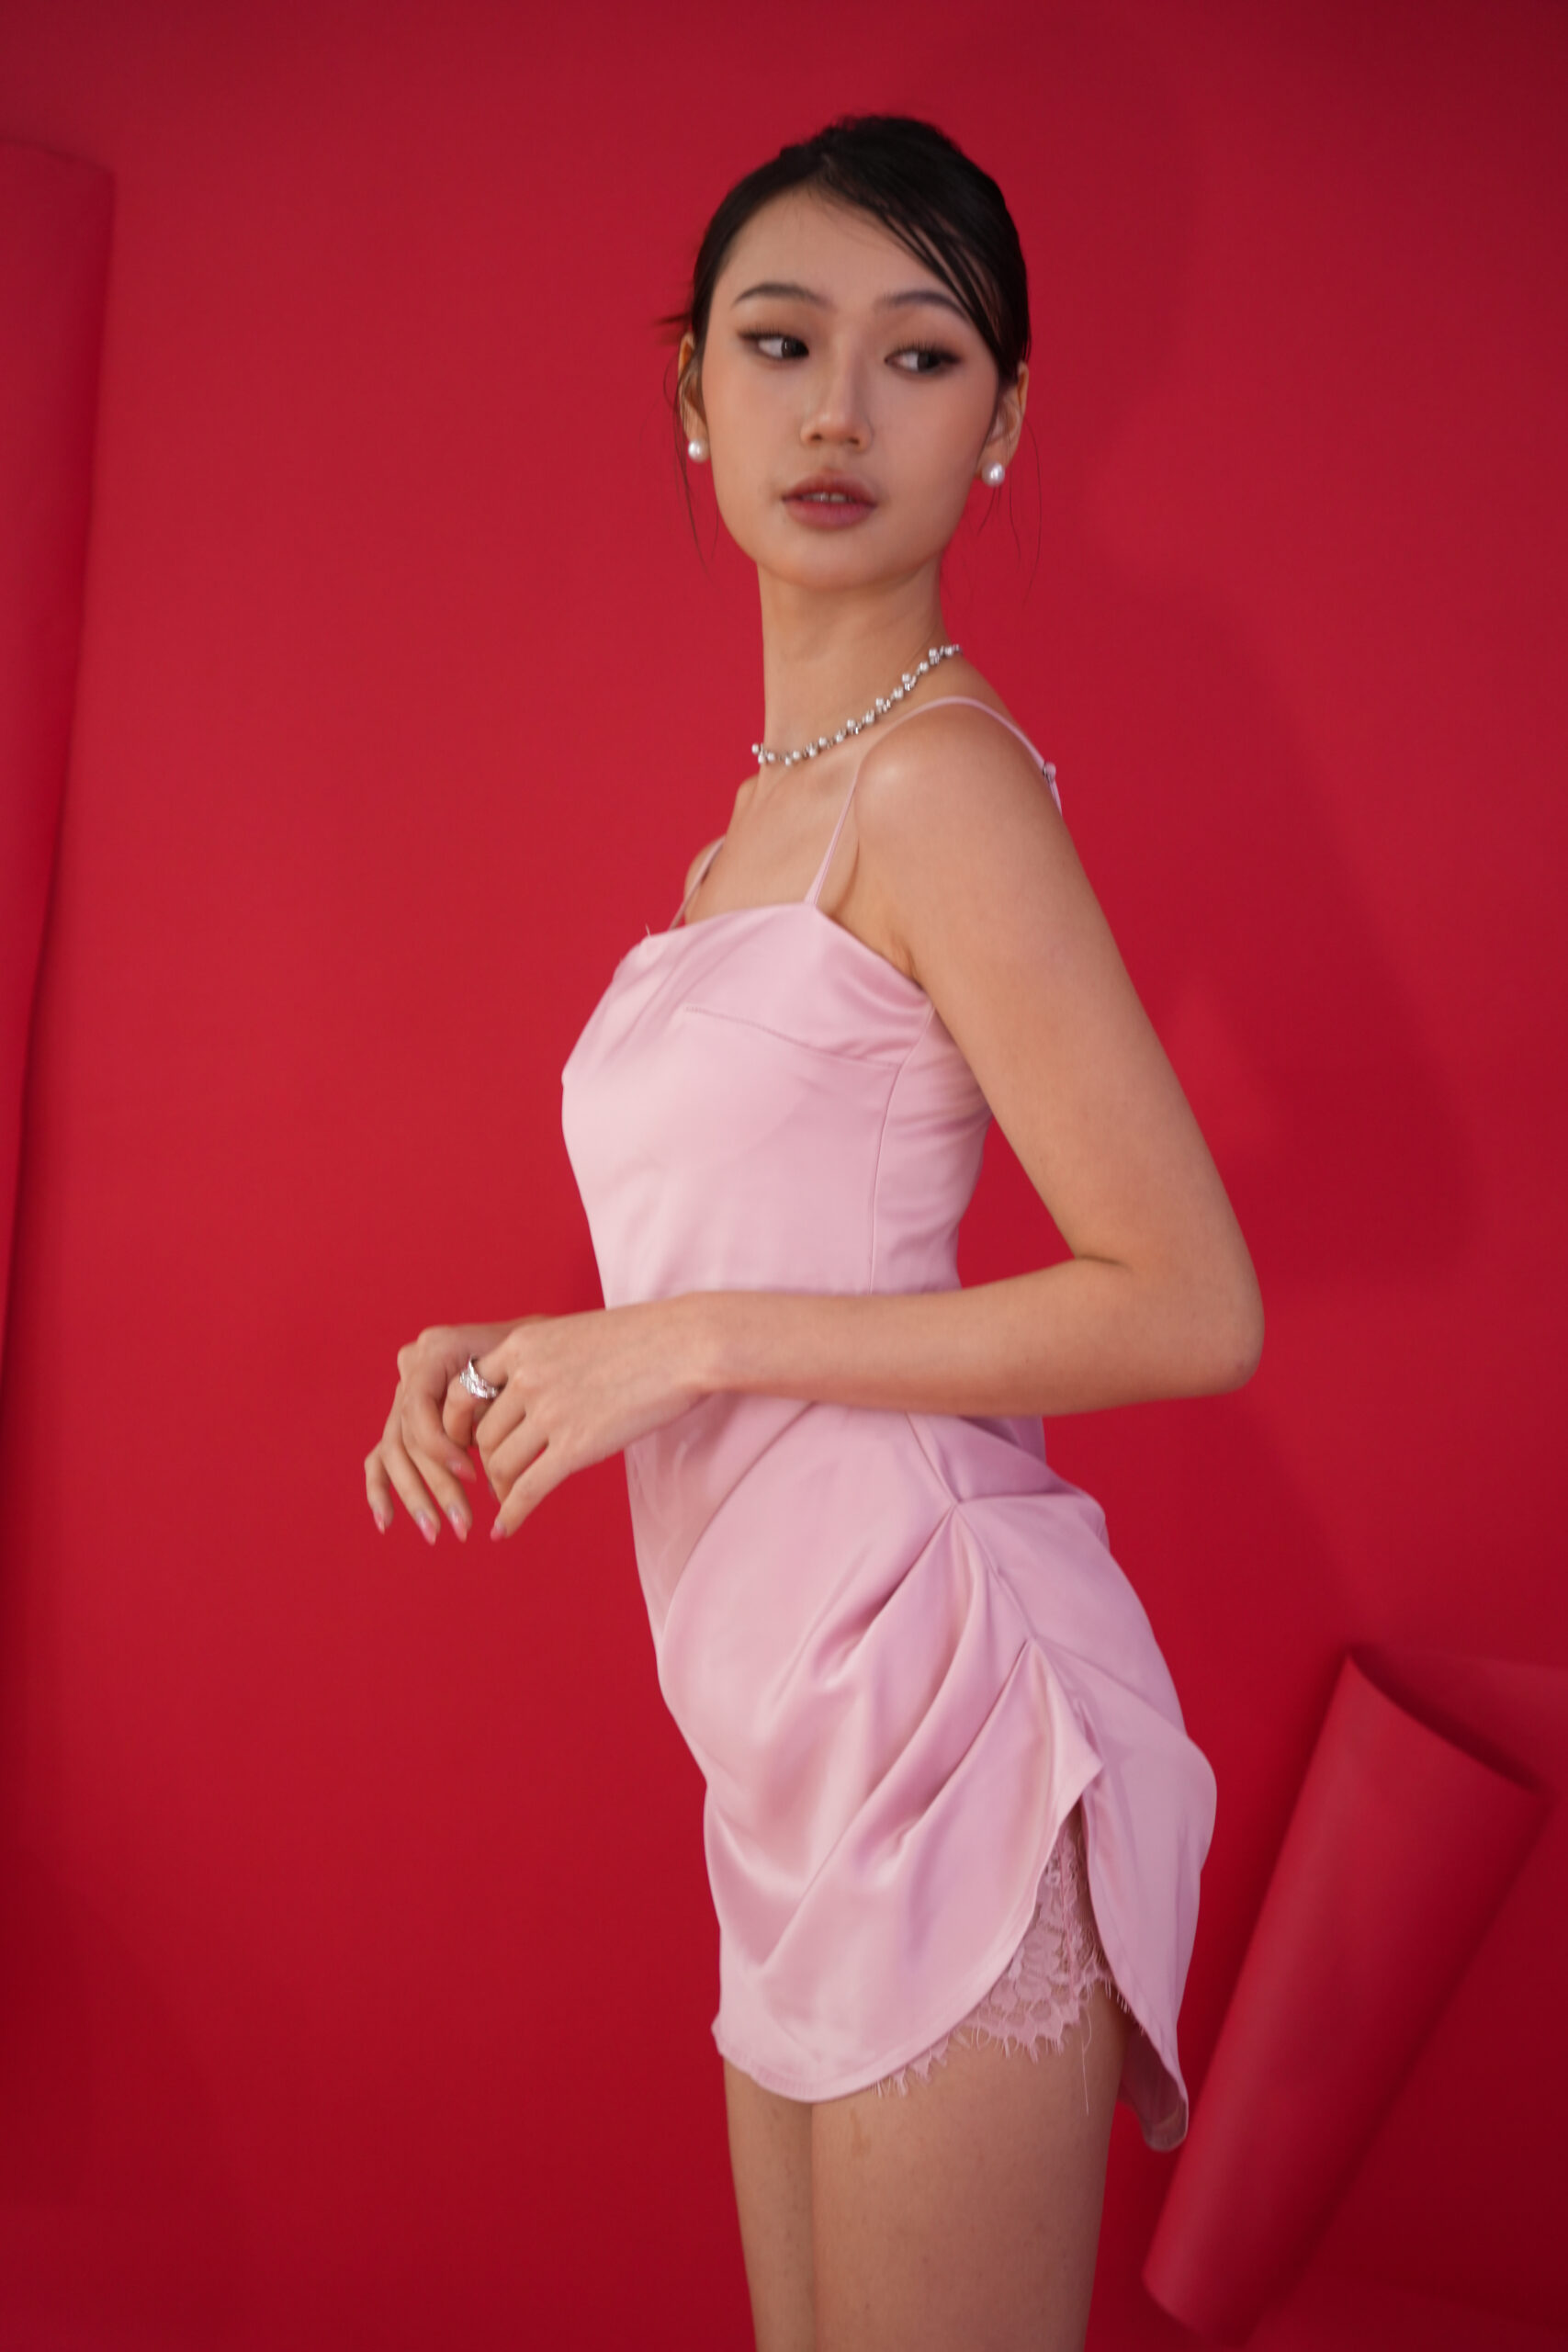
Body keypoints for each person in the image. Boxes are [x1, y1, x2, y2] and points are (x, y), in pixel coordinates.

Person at [364, 114, 1263, 2352]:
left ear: (1003, 419)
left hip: (929, 1709)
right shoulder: (755, 828)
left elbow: (1186, 1303)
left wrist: (676, 1349)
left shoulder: (933, 786)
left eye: (918, 355)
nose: (839, 410)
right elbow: (783, 1234)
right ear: (693, 386)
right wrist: (540, 1341)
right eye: (779, 344)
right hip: (777, 1731)